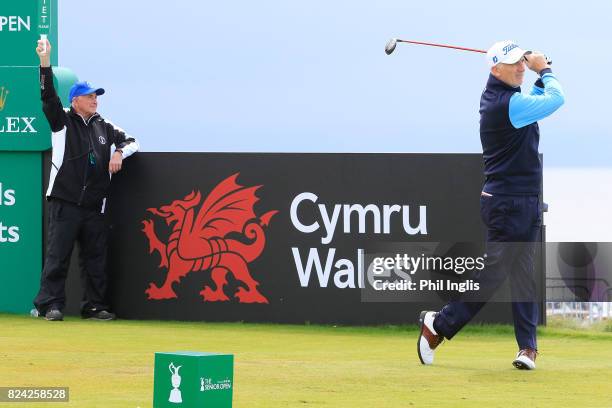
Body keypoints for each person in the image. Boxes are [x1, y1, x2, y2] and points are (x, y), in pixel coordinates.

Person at [417, 40, 565, 369]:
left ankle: (527, 349)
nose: (520, 67)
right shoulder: (505, 104)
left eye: (521, 62)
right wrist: (546, 69)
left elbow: (538, 100)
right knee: (493, 275)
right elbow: (556, 99)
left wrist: (538, 75)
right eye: (513, 64)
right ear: (495, 70)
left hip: (526, 200)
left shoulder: (512, 99)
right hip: (506, 204)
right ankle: (438, 325)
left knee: (525, 274)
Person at [32, 38, 140, 321]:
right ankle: (50, 305)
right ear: (75, 100)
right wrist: (45, 62)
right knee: (58, 256)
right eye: (90, 96)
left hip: (94, 204)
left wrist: (118, 152)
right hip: (65, 200)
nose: (95, 100)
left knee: (95, 258)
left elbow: (133, 142)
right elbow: (48, 98)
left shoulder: (105, 126)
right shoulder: (62, 121)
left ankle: (94, 306)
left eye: (96, 96)